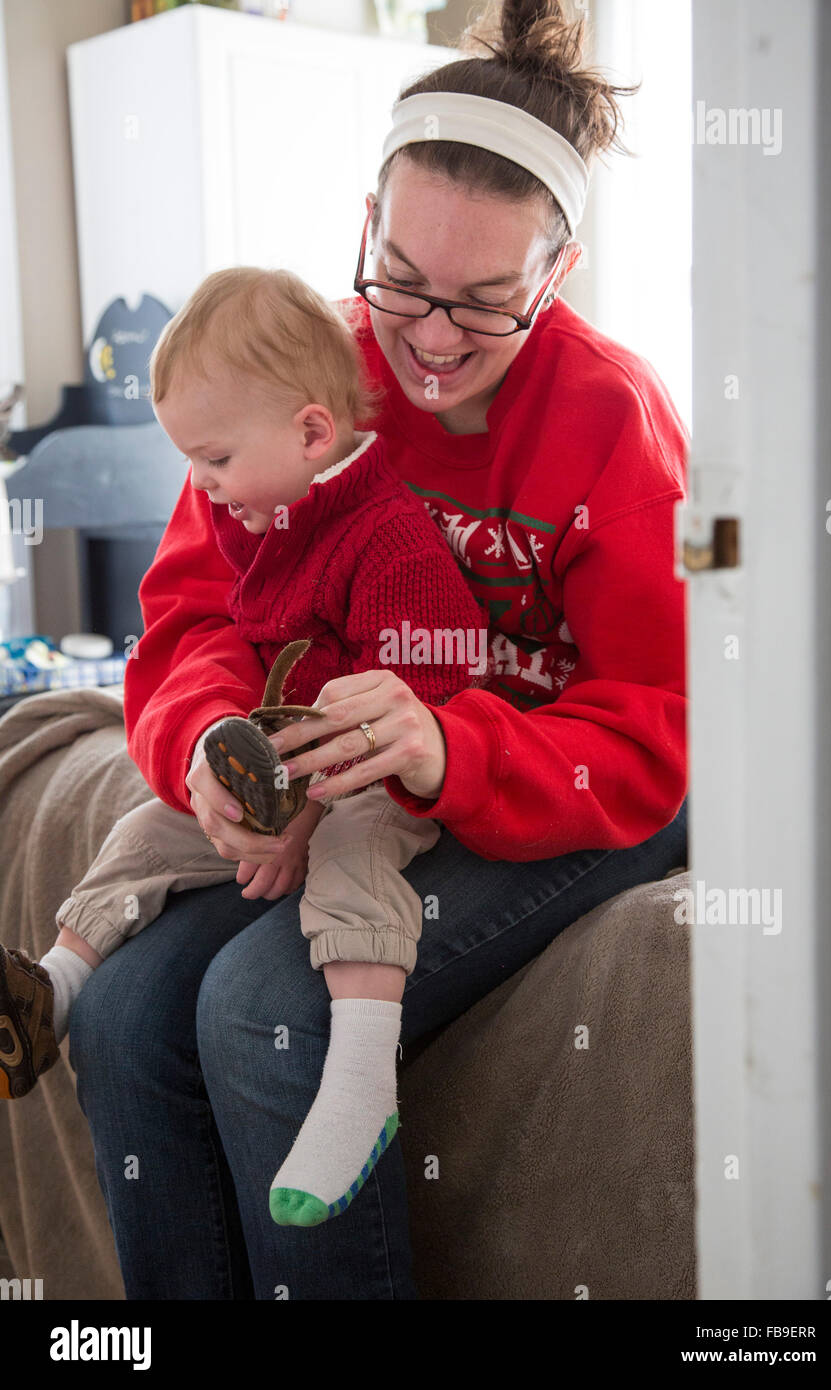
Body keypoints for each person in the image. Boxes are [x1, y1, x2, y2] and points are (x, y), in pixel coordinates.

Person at [66, 0, 687, 1299]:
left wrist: (448, 746)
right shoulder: (304, 372)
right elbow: (191, 615)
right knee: (124, 1016)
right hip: (355, 779)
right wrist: (209, 755)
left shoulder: (611, 425)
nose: (430, 338)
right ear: (365, 221)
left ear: (557, 272)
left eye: (486, 300)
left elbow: (647, 735)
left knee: (258, 1010)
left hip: (563, 787)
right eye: (399, 278)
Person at [0, 266, 494, 1230]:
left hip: (371, 782)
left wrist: (323, 791)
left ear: (312, 433)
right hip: (284, 768)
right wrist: (240, 776)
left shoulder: (387, 537)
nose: (201, 485)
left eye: (214, 458)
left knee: (356, 858)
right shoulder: (264, 519)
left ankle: (360, 1081)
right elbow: (207, 633)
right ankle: (54, 988)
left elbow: (430, 698)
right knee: (149, 826)